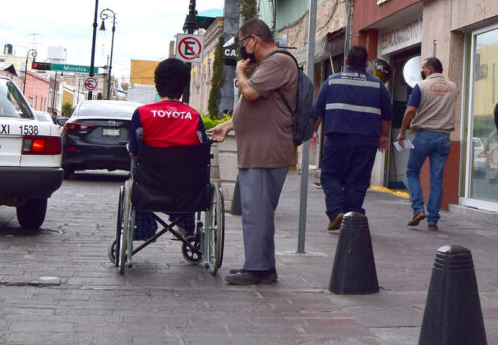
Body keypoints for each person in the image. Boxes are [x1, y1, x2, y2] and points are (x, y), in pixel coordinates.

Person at [209, 18, 298, 285]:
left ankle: (259, 269)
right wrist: (228, 125)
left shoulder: (278, 62)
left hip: (267, 150)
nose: (242, 48)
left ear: (254, 39)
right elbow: (259, 109)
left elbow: (250, 94)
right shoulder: (270, 65)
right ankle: (261, 265)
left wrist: (239, 72)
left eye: (242, 42)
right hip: (260, 148)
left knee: (256, 211)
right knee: (255, 210)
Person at [311, 46, 392, 231]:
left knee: (330, 175)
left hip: (338, 138)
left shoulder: (331, 82)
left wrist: (313, 131)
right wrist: (383, 136)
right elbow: (386, 117)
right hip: (367, 141)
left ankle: (337, 211)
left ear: (346, 61)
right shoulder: (377, 85)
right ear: (366, 63)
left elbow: (318, 112)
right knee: (358, 179)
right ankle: (353, 217)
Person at [127, 58, 206, 240]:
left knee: (138, 173)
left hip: (149, 188)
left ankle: (144, 228)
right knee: (189, 176)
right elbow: (200, 153)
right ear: (184, 85)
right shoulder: (193, 116)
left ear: (157, 84)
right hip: (185, 191)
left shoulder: (142, 113)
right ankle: (186, 225)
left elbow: (133, 152)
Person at [396, 57, 458, 231]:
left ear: (430, 69)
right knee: (436, 179)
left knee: (412, 171)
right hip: (444, 137)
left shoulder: (421, 86)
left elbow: (410, 110)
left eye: (423, 69)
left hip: (424, 135)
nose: (421, 72)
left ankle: (417, 210)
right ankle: (433, 221)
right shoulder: (453, 87)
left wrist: (402, 131)